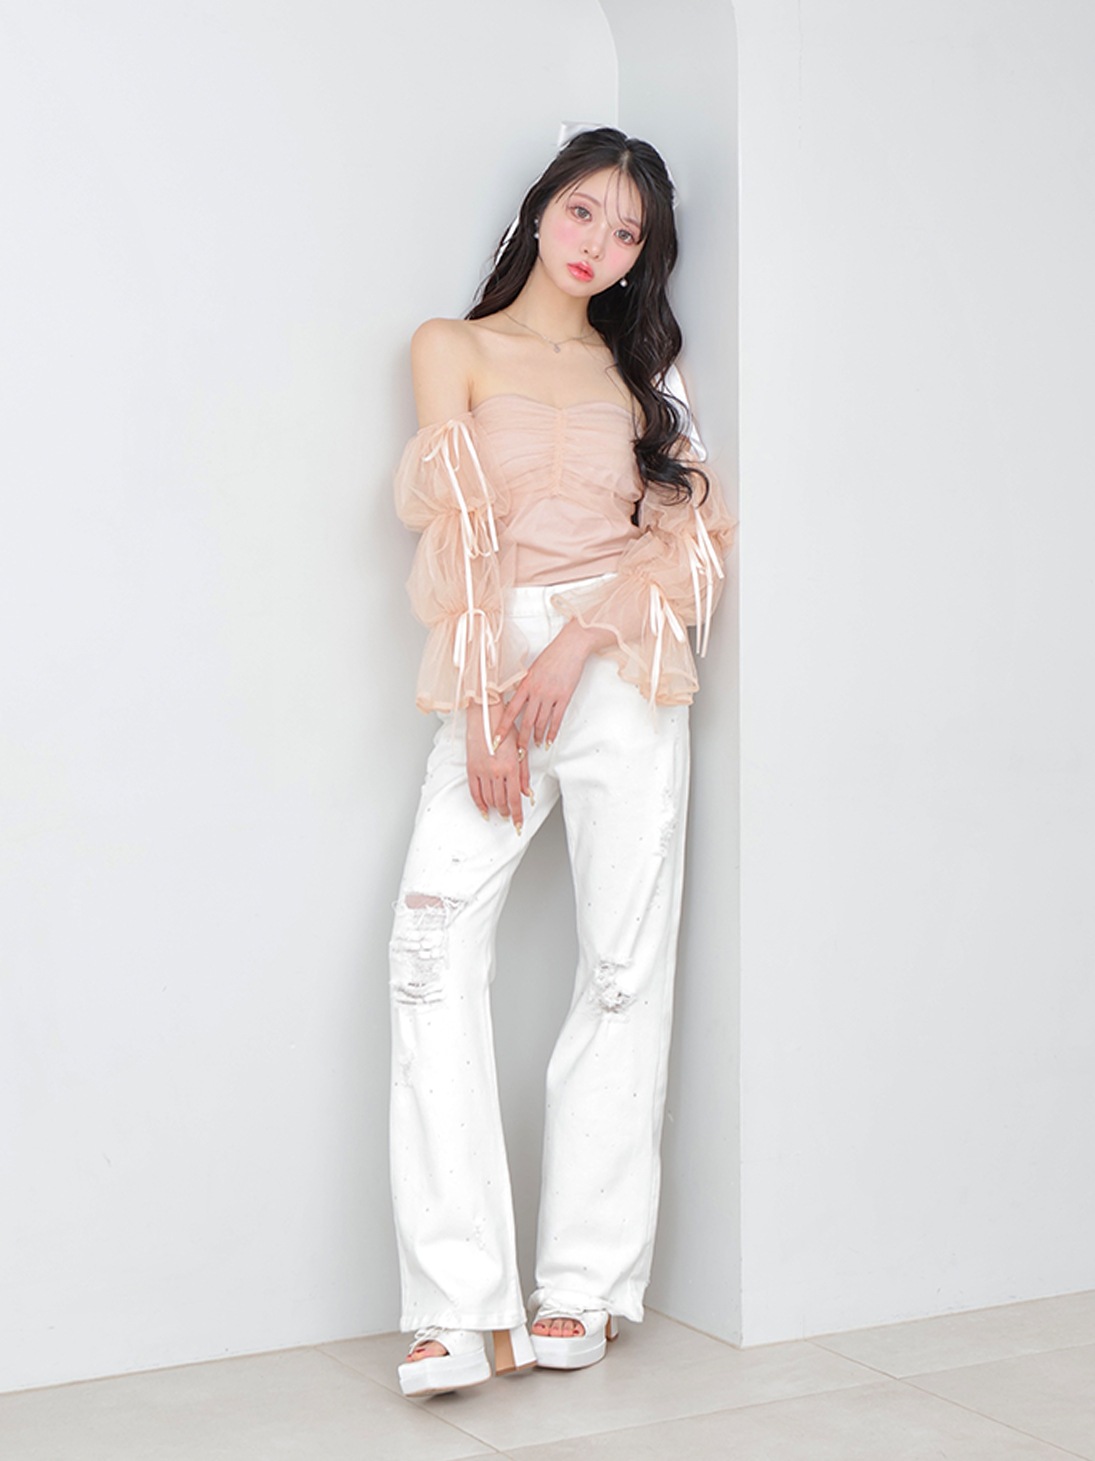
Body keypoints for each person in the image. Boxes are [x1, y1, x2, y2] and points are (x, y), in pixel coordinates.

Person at [387, 125, 736, 1399]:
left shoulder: (645, 373)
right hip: (496, 666)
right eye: (585, 212)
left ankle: (581, 1288)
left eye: (628, 232)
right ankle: (456, 1305)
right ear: (542, 210)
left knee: (623, 970)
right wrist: (488, 701)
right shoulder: (452, 346)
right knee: (430, 953)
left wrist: (581, 642)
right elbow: (462, 528)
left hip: (621, 665)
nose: (600, 244)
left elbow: (692, 537)